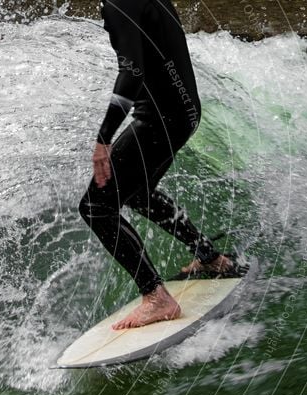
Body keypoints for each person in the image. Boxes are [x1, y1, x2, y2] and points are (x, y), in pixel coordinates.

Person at [78, 0, 233, 330]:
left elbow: (132, 71)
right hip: (184, 111)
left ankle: (157, 297)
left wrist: (103, 139)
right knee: (137, 192)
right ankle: (210, 257)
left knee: (96, 207)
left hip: (160, 118)